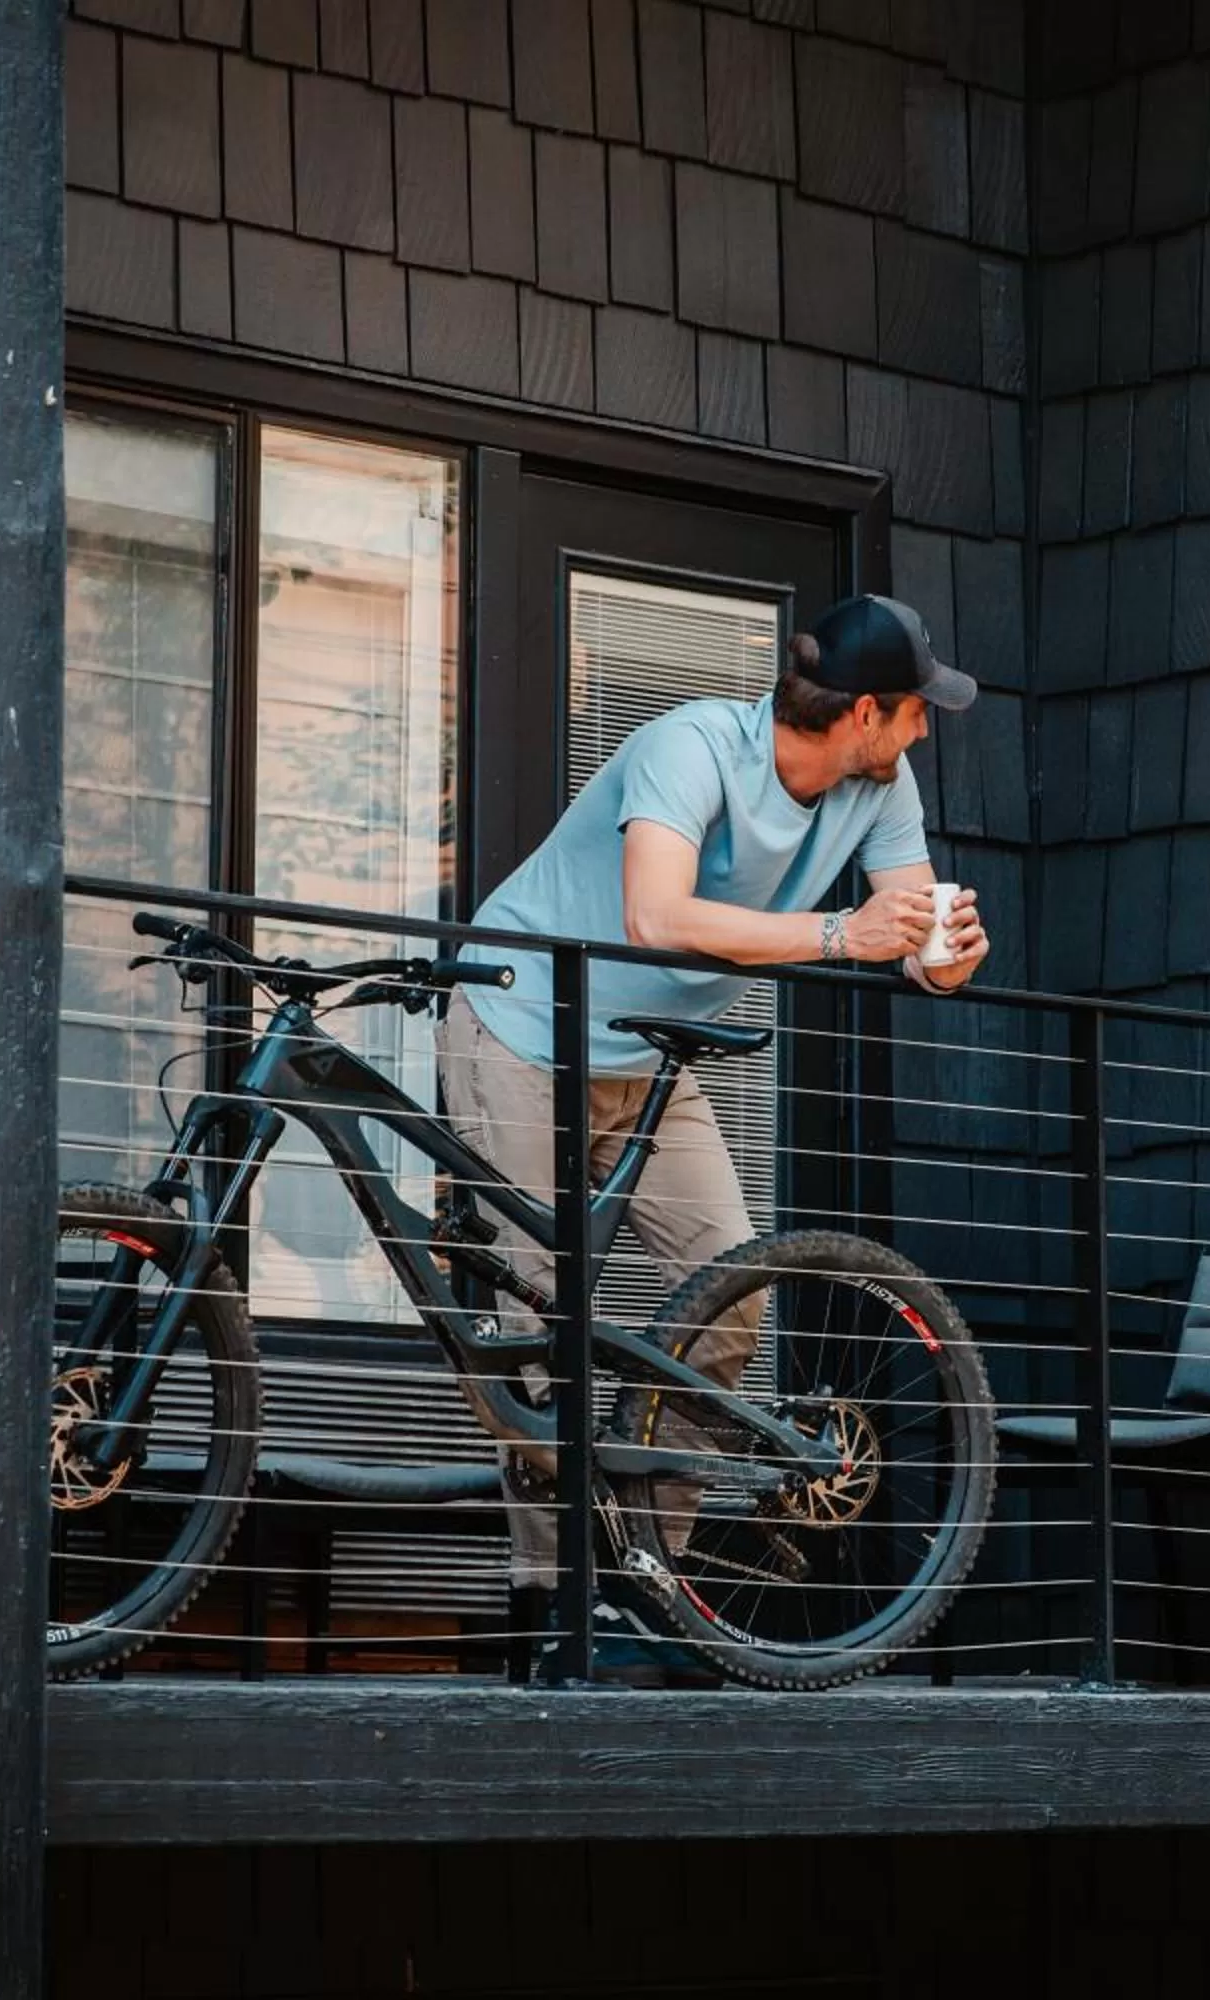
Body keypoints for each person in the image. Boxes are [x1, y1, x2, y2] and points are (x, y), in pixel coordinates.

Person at [439, 593, 992, 1676]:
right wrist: (842, 934)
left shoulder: (881, 785)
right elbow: (657, 913)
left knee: (729, 1296)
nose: (928, 728)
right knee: (530, 1322)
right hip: (516, 1024)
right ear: (866, 711)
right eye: (919, 710)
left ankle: (653, 1580)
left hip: (647, 1051)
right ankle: (554, 1605)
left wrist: (950, 950)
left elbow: (916, 937)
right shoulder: (687, 744)